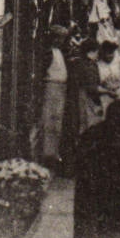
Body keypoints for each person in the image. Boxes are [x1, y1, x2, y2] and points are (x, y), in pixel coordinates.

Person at [73, 100, 120, 238]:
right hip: (113, 193)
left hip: (90, 189)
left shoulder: (90, 133)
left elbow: (78, 160)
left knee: (88, 229)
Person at [37, 27, 70, 169]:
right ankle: (47, 154)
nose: (62, 41)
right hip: (52, 88)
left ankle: (53, 153)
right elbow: (42, 72)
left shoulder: (59, 52)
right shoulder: (49, 53)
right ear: (55, 38)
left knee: (57, 122)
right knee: (49, 121)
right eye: (61, 38)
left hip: (59, 88)